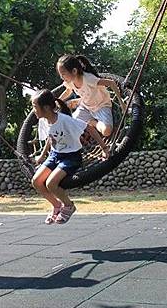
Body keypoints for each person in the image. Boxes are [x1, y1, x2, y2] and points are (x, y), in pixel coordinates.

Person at [31, 89, 109, 225]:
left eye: (34, 107)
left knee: (51, 184)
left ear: (46, 107)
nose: (33, 110)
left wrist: (104, 148)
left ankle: (69, 205)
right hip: (55, 155)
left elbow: (89, 128)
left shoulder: (65, 120)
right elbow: (51, 138)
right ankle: (56, 205)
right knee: (36, 181)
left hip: (70, 157)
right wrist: (42, 156)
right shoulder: (44, 121)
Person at [57, 54, 124, 137]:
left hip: (101, 106)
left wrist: (122, 103)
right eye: (60, 75)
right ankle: (79, 105)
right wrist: (58, 100)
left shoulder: (88, 79)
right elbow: (68, 91)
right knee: (71, 126)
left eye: (63, 74)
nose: (61, 77)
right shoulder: (69, 82)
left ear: (74, 71)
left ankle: (93, 123)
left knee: (107, 131)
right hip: (86, 107)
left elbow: (111, 83)